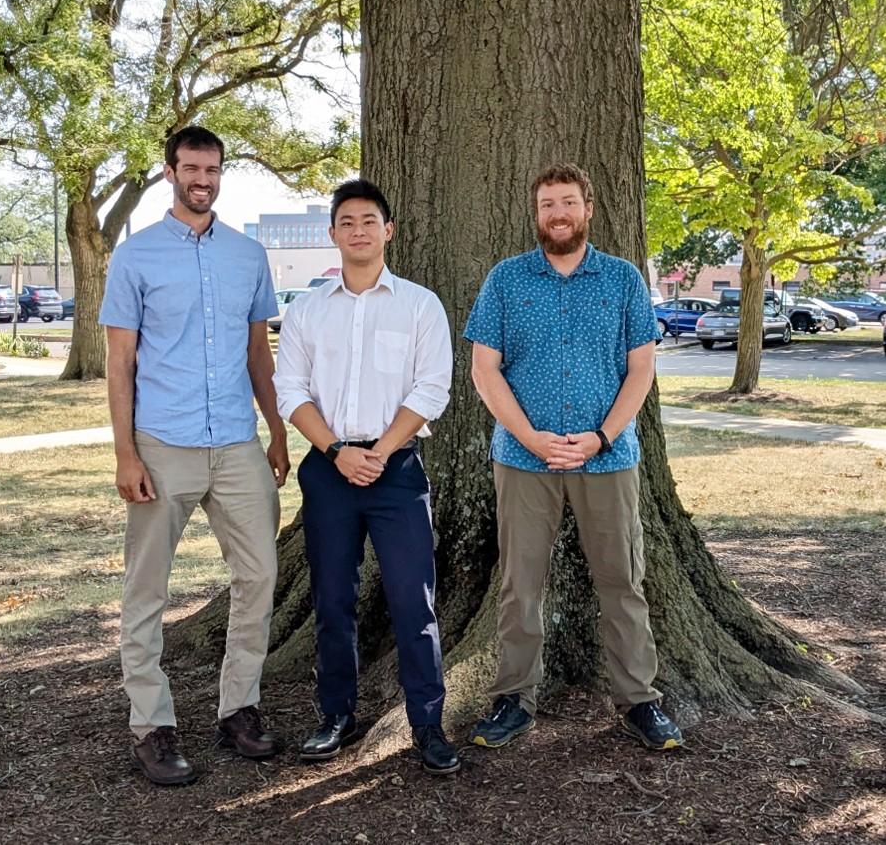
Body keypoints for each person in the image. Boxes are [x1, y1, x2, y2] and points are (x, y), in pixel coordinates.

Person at [462, 162, 685, 752]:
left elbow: (642, 369)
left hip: (606, 460)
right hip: (523, 458)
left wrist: (603, 436)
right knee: (519, 584)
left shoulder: (623, 280)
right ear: (536, 215)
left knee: (622, 581)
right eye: (546, 205)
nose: (556, 214)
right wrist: (531, 437)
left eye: (567, 202)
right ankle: (514, 699)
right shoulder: (506, 281)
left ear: (588, 208)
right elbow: (484, 370)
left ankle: (640, 701)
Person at [101, 125, 291, 786]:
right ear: (170, 171)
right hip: (163, 444)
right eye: (190, 168)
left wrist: (277, 431)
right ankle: (151, 725)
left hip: (237, 442)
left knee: (261, 576)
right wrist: (126, 455)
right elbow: (119, 363)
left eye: (211, 168)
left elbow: (258, 355)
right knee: (145, 590)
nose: (201, 178)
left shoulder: (247, 256)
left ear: (220, 173)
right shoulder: (135, 257)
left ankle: (238, 708)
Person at [272, 179, 460, 775]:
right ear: (333, 233)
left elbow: (432, 388)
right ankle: (336, 716)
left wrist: (378, 451)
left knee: (414, 601)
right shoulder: (306, 309)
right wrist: (336, 452)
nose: (358, 230)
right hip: (329, 470)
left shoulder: (419, 305)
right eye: (346, 221)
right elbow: (289, 390)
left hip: (396, 468)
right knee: (333, 599)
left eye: (369, 220)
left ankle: (427, 723)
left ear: (389, 230)